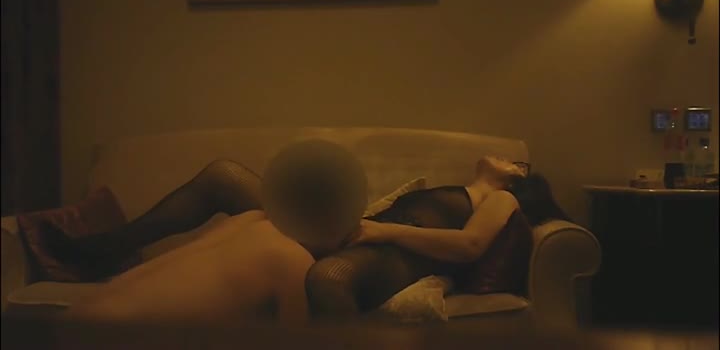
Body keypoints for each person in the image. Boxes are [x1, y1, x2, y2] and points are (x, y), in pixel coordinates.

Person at [58, 139, 368, 325]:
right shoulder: (295, 263)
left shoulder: (248, 221)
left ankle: (99, 251)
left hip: (82, 316)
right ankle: (101, 251)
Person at [304, 157, 570, 317]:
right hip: (369, 237)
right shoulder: (457, 190)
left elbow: (470, 245)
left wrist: (385, 231)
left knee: (328, 277)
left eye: (511, 161)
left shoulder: (502, 198)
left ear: (517, 176)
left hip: (402, 254)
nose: (502, 157)